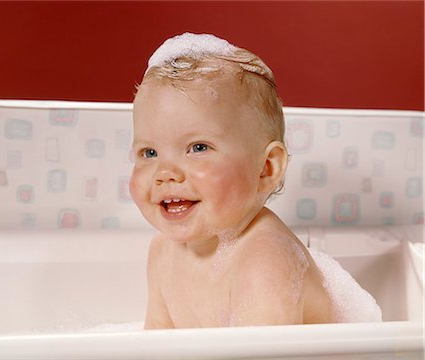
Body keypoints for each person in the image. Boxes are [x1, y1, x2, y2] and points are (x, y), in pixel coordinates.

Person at [129, 33, 381, 329]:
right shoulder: (162, 250)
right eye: (149, 152)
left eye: (198, 148)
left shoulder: (264, 258)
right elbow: (155, 346)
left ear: (266, 169)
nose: (165, 172)